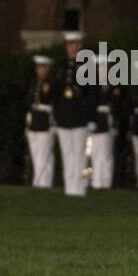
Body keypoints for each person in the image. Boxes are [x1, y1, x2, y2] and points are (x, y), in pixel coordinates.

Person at [53, 31, 94, 196]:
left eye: (75, 44)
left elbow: (92, 94)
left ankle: (80, 186)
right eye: (69, 44)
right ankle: (70, 186)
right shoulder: (61, 66)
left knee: (79, 153)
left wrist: (91, 118)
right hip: (64, 115)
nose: (72, 47)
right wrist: (55, 115)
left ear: (81, 46)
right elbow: (56, 93)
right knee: (67, 153)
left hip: (79, 116)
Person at [25, 55, 57, 187]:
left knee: (44, 155)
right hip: (34, 123)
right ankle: (37, 181)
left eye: (42, 67)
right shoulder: (34, 83)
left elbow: (54, 103)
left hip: (45, 123)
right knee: (35, 154)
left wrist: (54, 122)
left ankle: (45, 182)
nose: (40, 70)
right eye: (38, 67)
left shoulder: (52, 83)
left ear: (48, 68)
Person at [89, 65, 119, 190]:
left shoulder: (113, 85)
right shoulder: (92, 85)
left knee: (106, 154)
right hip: (96, 121)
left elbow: (117, 106)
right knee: (95, 153)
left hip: (106, 122)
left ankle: (106, 181)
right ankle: (96, 180)